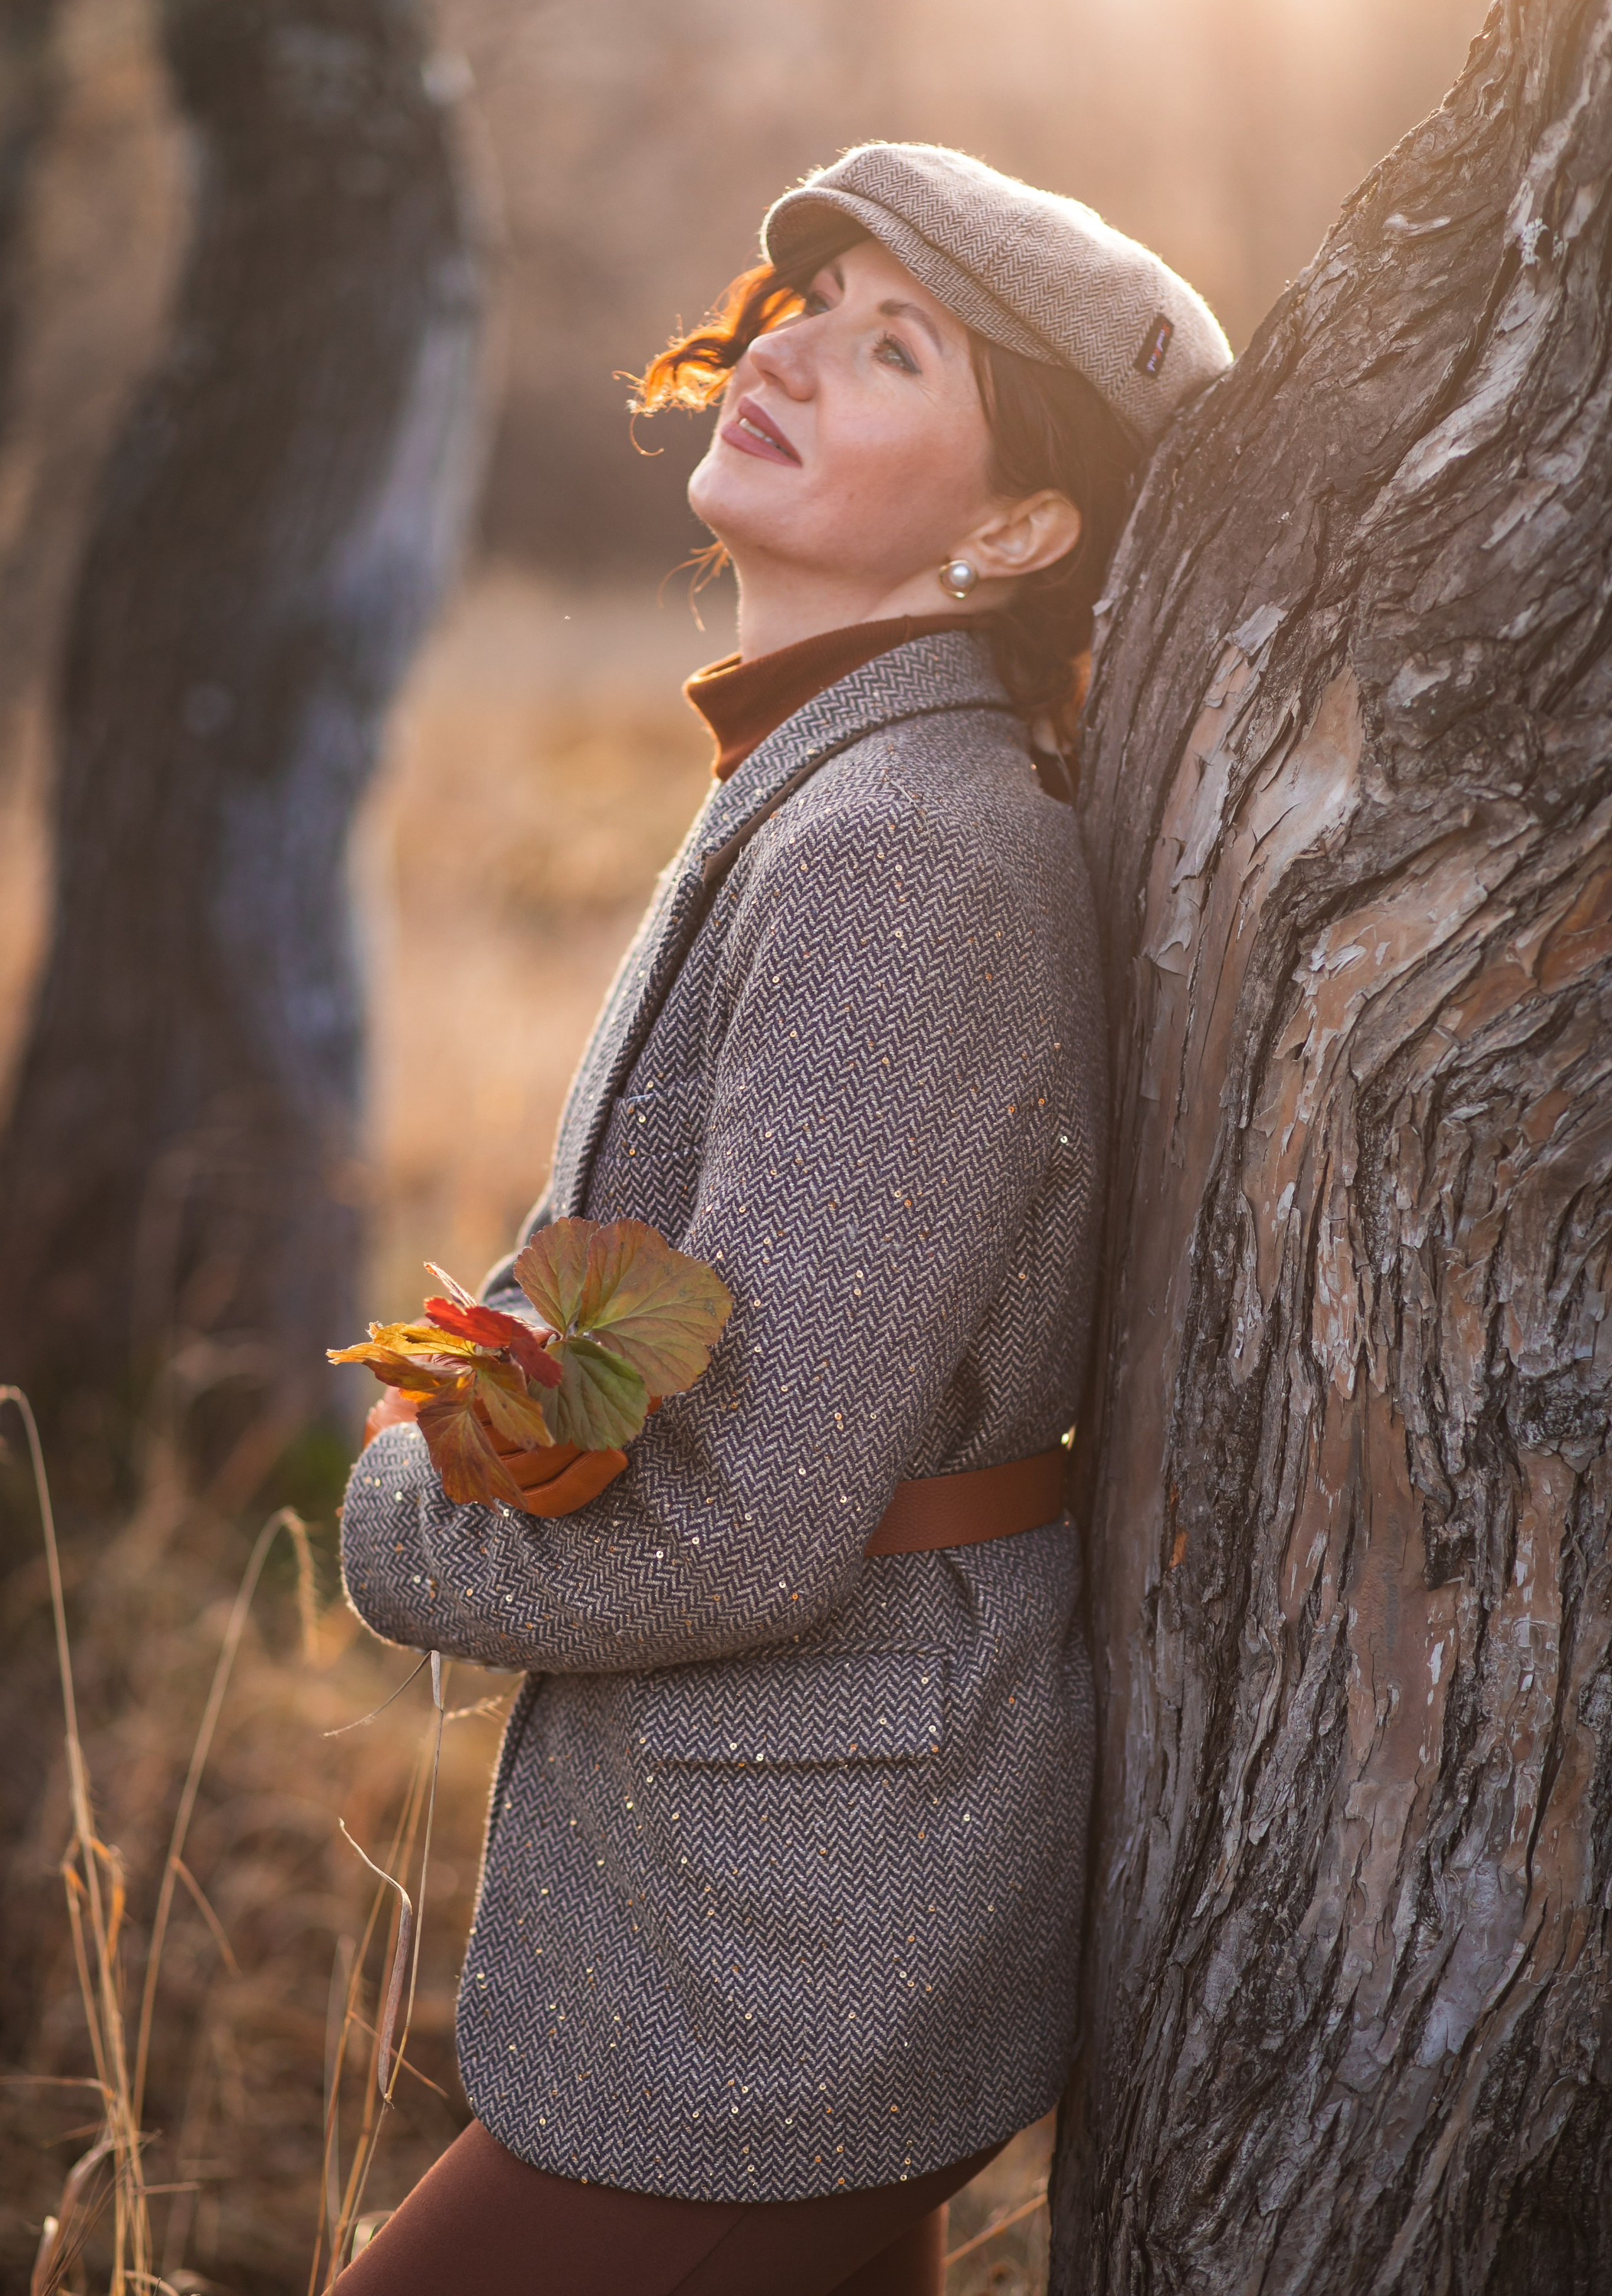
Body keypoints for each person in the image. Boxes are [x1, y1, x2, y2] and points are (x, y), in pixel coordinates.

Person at [336, 142, 1231, 2295]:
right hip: (786, 1854)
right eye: (811, 300)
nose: (801, 347)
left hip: (800, 1908)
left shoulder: (908, 854)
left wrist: (398, 1508)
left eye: (900, 344)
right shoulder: (832, 785)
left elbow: (743, 1520)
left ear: (1017, 529)